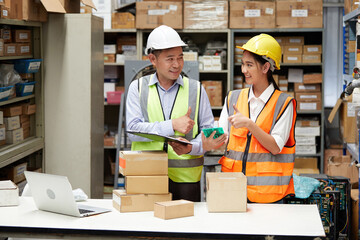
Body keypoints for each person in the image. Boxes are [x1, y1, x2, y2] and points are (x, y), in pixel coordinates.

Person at [126, 25, 226, 202]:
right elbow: (133, 130)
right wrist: (172, 125)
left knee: (185, 228)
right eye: (169, 59)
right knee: (148, 228)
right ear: (153, 59)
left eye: (180, 57)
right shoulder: (138, 88)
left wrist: (193, 147)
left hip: (186, 180)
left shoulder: (196, 89)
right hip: (147, 176)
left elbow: (208, 133)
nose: (177, 64)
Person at [218, 34, 296, 203]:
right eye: (243, 64)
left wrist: (248, 124)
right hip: (233, 192)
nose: (243, 70)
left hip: (268, 196)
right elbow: (222, 137)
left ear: (265, 67)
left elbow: (275, 147)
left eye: (249, 65)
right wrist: (206, 139)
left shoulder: (284, 103)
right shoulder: (233, 98)